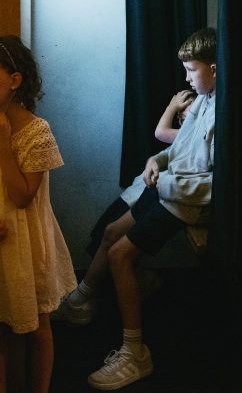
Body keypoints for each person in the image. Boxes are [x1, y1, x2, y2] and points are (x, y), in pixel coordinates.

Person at [53, 27, 217, 391]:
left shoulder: (225, 113)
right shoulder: (204, 101)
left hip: (184, 202)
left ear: (215, 69)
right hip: (169, 188)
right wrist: (154, 161)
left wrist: (166, 182)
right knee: (112, 233)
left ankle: (134, 352)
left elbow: (216, 183)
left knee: (120, 256)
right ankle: (81, 301)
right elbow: (177, 148)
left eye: (192, 70)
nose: (187, 78)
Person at [0, 35, 76, 393]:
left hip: (31, 241)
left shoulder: (37, 133)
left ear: (14, 81)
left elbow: (23, 196)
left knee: (40, 326)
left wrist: (2, 145)